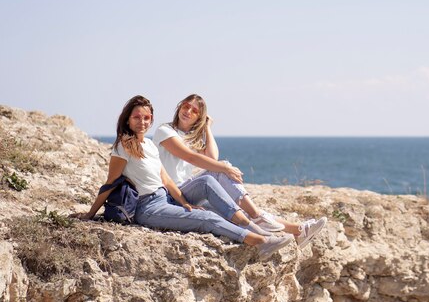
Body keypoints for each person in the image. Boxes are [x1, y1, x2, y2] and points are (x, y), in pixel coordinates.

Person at [75, 95, 292, 260]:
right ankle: (260, 241)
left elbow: (166, 180)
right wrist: (91, 214)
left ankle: (254, 226)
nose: (142, 122)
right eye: (137, 117)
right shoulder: (123, 147)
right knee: (207, 219)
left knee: (207, 183)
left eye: (146, 117)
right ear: (128, 120)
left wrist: (185, 203)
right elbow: (110, 182)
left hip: (164, 198)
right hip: (146, 208)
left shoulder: (149, 145)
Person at [153, 94, 326, 248]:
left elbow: (212, 157)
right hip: (172, 193)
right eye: (186, 106)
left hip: (187, 189)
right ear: (179, 107)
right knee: (221, 170)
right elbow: (191, 157)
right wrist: (225, 167)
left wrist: (207, 128)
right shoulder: (165, 130)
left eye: (194, 111)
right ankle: (257, 215)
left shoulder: (190, 136)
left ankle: (298, 231)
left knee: (235, 210)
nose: (188, 111)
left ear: (199, 117)